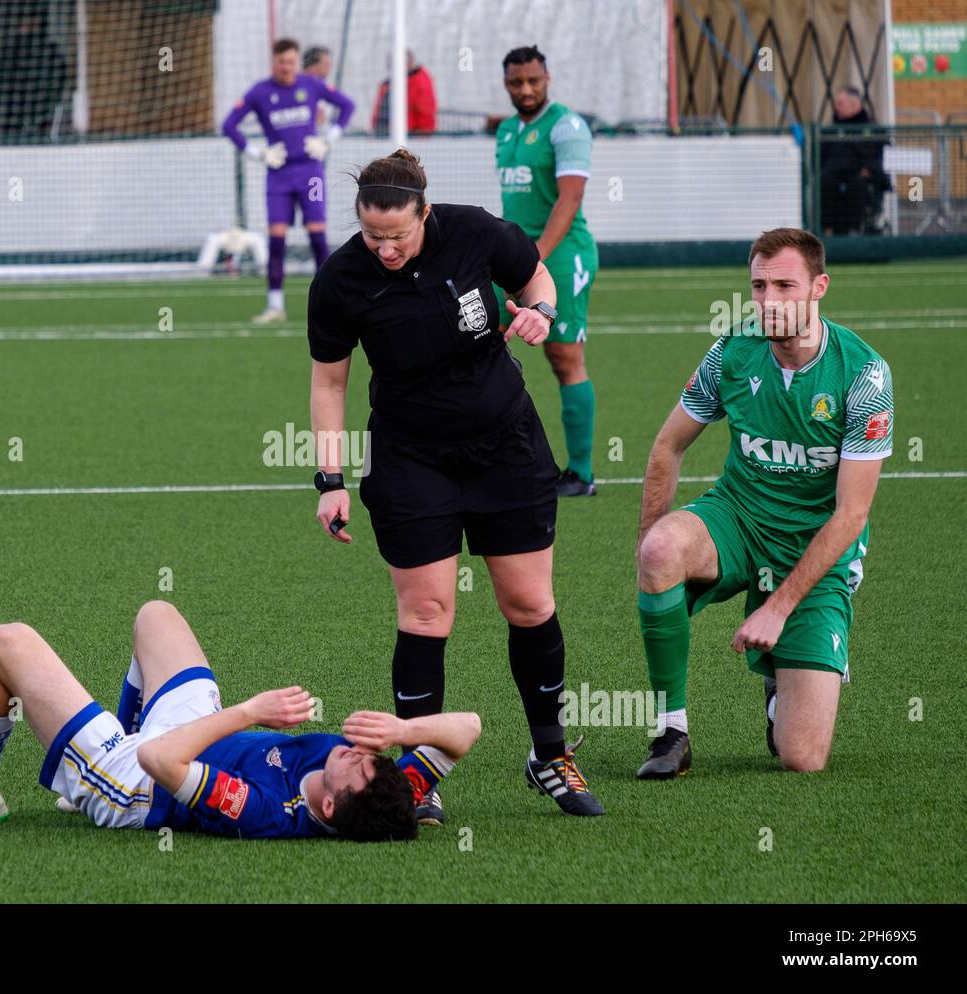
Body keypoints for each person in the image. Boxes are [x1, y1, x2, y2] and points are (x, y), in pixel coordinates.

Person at [307, 148, 605, 824]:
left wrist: (540, 313)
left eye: (398, 235)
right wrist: (329, 477)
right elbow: (330, 384)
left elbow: (538, 280)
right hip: (410, 459)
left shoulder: (475, 232)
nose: (384, 248)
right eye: (372, 234)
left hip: (506, 446)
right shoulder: (340, 280)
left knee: (529, 605)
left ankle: (550, 756)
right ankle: (419, 774)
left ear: (425, 211)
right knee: (426, 614)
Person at [634, 228, 893, 778]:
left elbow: (852, 515)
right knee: (661, 550)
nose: (769, 301)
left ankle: (782, 685)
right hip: (740, 518)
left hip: (813, 546)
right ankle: (670, 731)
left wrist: (777, 609)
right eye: (758, 286)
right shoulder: (733, 350)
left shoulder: (864, 375)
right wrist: (648, 547)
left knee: (801, 758)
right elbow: (667, 446)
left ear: (819, 287)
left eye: (784, 285)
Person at [0, 600, 481, 841]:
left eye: (355, 766)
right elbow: (469, 729)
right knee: (156, 616)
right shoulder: (384, 792)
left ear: (329, 807)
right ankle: (109, 732)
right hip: (198, 737)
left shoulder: (260, 811)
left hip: (137, 780)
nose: (359, 753)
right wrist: (405, 733)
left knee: (7, 645)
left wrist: (250, 712)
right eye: (370, 756)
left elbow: (159, 759)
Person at [495, 46, 600, 497]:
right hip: (514, 256)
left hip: (560, 256)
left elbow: (569, 200)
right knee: (485, 347)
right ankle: (492, 459)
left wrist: (532, 257)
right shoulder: (504, 131)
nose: (525, 89)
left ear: (547, 78)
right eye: (517, 82)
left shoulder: (567, 127)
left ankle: (580, 473)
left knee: (564, 359)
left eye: (533, 81)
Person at [222, 38, 355, 324]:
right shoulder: (260, 92)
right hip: (278, 176)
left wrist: (328, 140)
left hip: (310, 173)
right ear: (274, 62)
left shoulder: (312, 85)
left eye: (291, 61)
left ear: (297, 62)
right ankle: (275, 306)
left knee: (317, 237)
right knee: (277, 240)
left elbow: (347, 106)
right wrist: (258, 153)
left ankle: (330, 305)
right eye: (281, 62)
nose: (286, 67)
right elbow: (228, 125)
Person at [820, 86, 889, 235]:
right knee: (824, 184)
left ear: (854, 104)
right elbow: (821, 159)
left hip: (859, 182)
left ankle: (857, 231)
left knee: (858, 188)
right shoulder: (830, 131)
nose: (836, 108)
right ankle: (826, 233)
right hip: (831, 181)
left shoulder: (872, 130)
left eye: (840, 103)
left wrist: (867, 170)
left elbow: (878, 158)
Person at [370, 50, 436, 135]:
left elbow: (425, 113)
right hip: (384, 134)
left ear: (408, 63)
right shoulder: (390, 83)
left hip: (408, 137)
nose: (390, 67)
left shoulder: (419, 82)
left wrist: (421, 137)